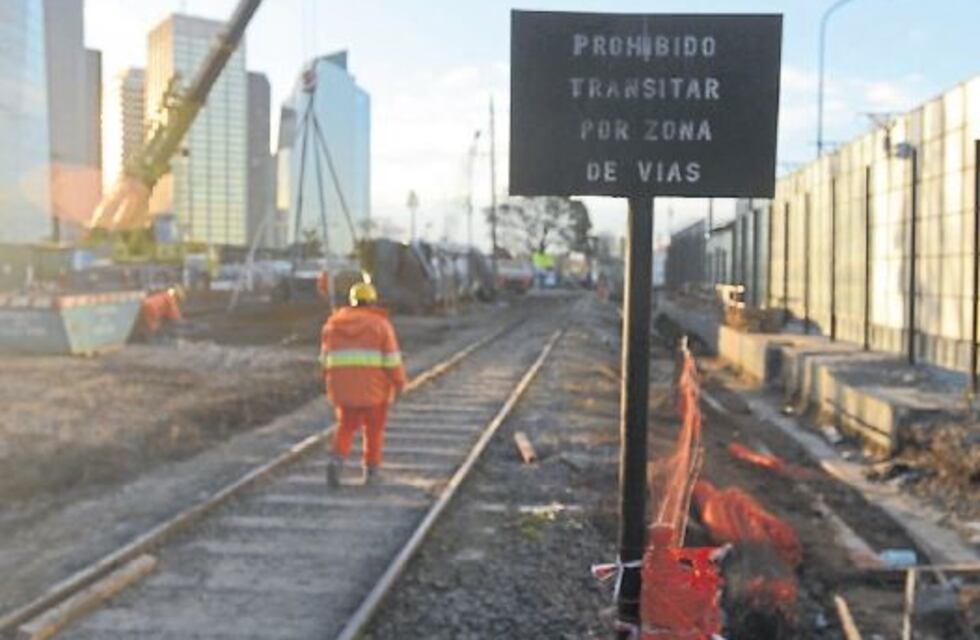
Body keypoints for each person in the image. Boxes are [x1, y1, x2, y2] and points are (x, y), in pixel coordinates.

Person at [320, 281, 406, 487]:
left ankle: (336, 461)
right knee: (373, 429)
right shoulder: (380, 325)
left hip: (343, 390)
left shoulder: (332, 325)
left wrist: (333, 383)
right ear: (372, 301)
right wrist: (399, 383)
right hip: (374, 390)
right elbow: (392, 360)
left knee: (346, 426)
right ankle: (372, 472)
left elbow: (324, 361)